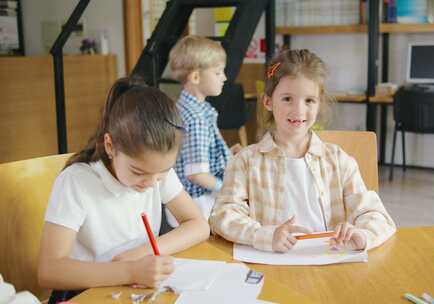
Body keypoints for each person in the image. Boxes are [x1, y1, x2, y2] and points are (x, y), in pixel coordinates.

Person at [38, 77, 210, 303]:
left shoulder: (156, 172)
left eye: (162, 173)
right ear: (110, 146)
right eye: (138, 172)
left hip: (135, 286)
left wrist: (143, 253)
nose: (151, 183)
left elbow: (198, 225)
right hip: (85, 291)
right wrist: (130, 270)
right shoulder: (77, 182)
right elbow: (49, 271)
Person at [209, 49, 396, 253]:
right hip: (272, 265)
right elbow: (223, 214)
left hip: (329, 263)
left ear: (319, 103)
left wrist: (361, 235)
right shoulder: (245, 160)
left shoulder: (339, 160)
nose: (298, 110)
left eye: (309, 100)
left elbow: (377, 216)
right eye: (287, 98)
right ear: (268, 101)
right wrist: (265, 236)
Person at [167, 35, 241, 221]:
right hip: (199, 204)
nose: (224, 78)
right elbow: (196, 174)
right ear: (196, 77)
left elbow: (194, 156)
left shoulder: (187, 108)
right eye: (218, 72)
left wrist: (226, 155)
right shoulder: (195, 118)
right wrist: (228, 190)